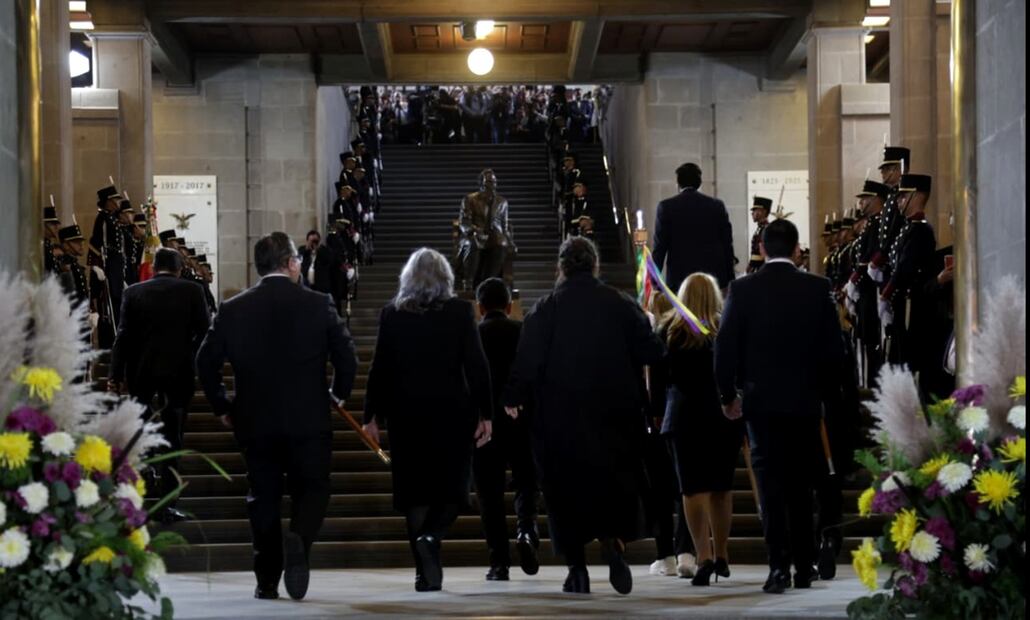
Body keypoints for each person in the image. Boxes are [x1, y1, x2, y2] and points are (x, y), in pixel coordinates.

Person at [196, 232, 358, 602]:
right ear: (289, 263)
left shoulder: (233, 308)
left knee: (263, 497)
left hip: (254, 419)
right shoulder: (319, 304)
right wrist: (337, 395)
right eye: (298, 261)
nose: (301, 266)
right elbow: (347, 357)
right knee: (314, 487)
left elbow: (205, 362)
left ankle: (266, 579)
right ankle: (299, 537)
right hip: (309, 419)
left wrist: (223, 406)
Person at [503, 237, 665, 595]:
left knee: (564, 493)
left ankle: (577, 570)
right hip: (615, 417)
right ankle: (613, 543)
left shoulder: (545, 309)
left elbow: (526, 363)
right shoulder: (620, 304)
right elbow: (652, 351)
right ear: (595, 265)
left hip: (559, 421)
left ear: (560, 267)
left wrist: (512, 398)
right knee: (612, 485)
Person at [714, 219, 843, 594]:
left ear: (764, 250)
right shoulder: (818, 289)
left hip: (761, 404)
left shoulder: (742, 289)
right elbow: (834, 352)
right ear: (798, 249)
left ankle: (778, 569)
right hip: (804, 404)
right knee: (802, 487)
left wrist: (727, 396)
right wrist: (823, 393)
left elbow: (724, 349)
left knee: (770, 487)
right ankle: (804, 566)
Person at [362, 248, 492, 593]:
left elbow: (380, 368)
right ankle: (432, 537)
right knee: (454, 487)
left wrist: (370, 416)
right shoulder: (461, 312)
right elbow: (477, 366)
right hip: (452, 413)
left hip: (405, 416)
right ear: (446, 278)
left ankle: (424, 572)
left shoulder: (392, 314)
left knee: (415, 494)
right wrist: (487, 414)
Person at [652, 273, 743, 587]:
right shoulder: (724, 328)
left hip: (683, 414)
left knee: (692, 489)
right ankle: (723, 553)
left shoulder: (668, 329)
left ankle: (702, 555)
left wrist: (654, 412)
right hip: (721, 414)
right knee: (721, 488)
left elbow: (658, 378)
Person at [109, 248, 210, 521]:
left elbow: (123, 336)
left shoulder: (134, 293)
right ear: (179, 269)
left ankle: (142, 483)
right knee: (173, 436)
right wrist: (196, 360)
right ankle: (167, 503)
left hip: (141, 373)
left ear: (153, 268)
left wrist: (115, 375)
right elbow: (205, 331)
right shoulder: (192, 291)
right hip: (179, 373)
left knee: (139, 432)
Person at [471, 277, 540, 582]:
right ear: (510, 306)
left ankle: (499, 562)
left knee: (489, 493)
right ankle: (526, 530)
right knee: (525, 481)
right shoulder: (523, 331)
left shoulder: (472, 335)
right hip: (520, 419)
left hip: (483, 424)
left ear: (479, 307)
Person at [879, 174, 938, 388]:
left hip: (912, 305)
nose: (898, 201)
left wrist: (886, 294)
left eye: (903, 197)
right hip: (901, 303)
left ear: (916, 196)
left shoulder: (921, 229)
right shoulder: (908, 228)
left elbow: (905, 268)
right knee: (898, 358)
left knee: (909, 361)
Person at [652, 163, 735, 293]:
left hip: (679, 277)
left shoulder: (666, 207)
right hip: (711, 278)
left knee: (681, 313)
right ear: (699, 182)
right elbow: (727, 244)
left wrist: (654, 280)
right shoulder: (716, 206)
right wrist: (730, 277)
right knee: (709, 312)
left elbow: (660, 247)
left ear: (678, 184)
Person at [456, 169, 516, 291]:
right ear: (481, 183)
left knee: (501, 244)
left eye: (494, 182)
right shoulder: (470, 199)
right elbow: (464, 221)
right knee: (474, 243)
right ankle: (469, 283)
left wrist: (510, 241)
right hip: (474, 235)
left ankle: (488, 282)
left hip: (494, 237)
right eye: (489, 182)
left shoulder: (502, 202)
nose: (492, 185)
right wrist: (475, 230)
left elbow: (505, 226)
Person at [747, 197, 773, 274]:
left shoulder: (767, 229)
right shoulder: (760, 228)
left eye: (755, 210)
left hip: (762, 268)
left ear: (764, 212)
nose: (752, 213)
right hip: (757, 267)